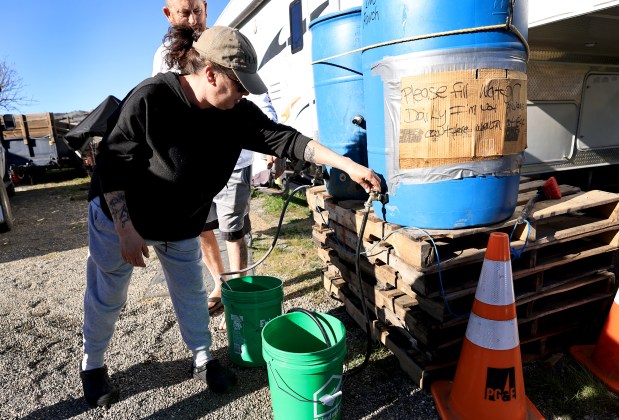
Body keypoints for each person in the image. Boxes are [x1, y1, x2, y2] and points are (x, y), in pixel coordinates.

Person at [80, 24, 381, 408]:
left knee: (191, 292)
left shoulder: (235, 113)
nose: (244, 95)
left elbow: (285, 139)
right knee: (109, 294)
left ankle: (203, 357)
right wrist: (125, 230)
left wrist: (348, 166)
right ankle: (93, 365)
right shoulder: (150, 98)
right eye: (239, 86)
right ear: (211, 73)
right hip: (121, 216)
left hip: (181, 221)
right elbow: (112, 161)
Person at [152, 0, 283, 318]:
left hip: (231, 160)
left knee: (233, 230)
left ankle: (239, 295)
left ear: (206, 9)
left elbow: (255, 92)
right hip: (190, 165)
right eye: (185, 12)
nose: (194, 18)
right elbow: (160, 105)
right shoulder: (163, 57)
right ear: (169, 14)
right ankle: (220, 282)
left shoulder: (225, 41)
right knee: (203, 227)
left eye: (198, 10)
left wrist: (272, 145)